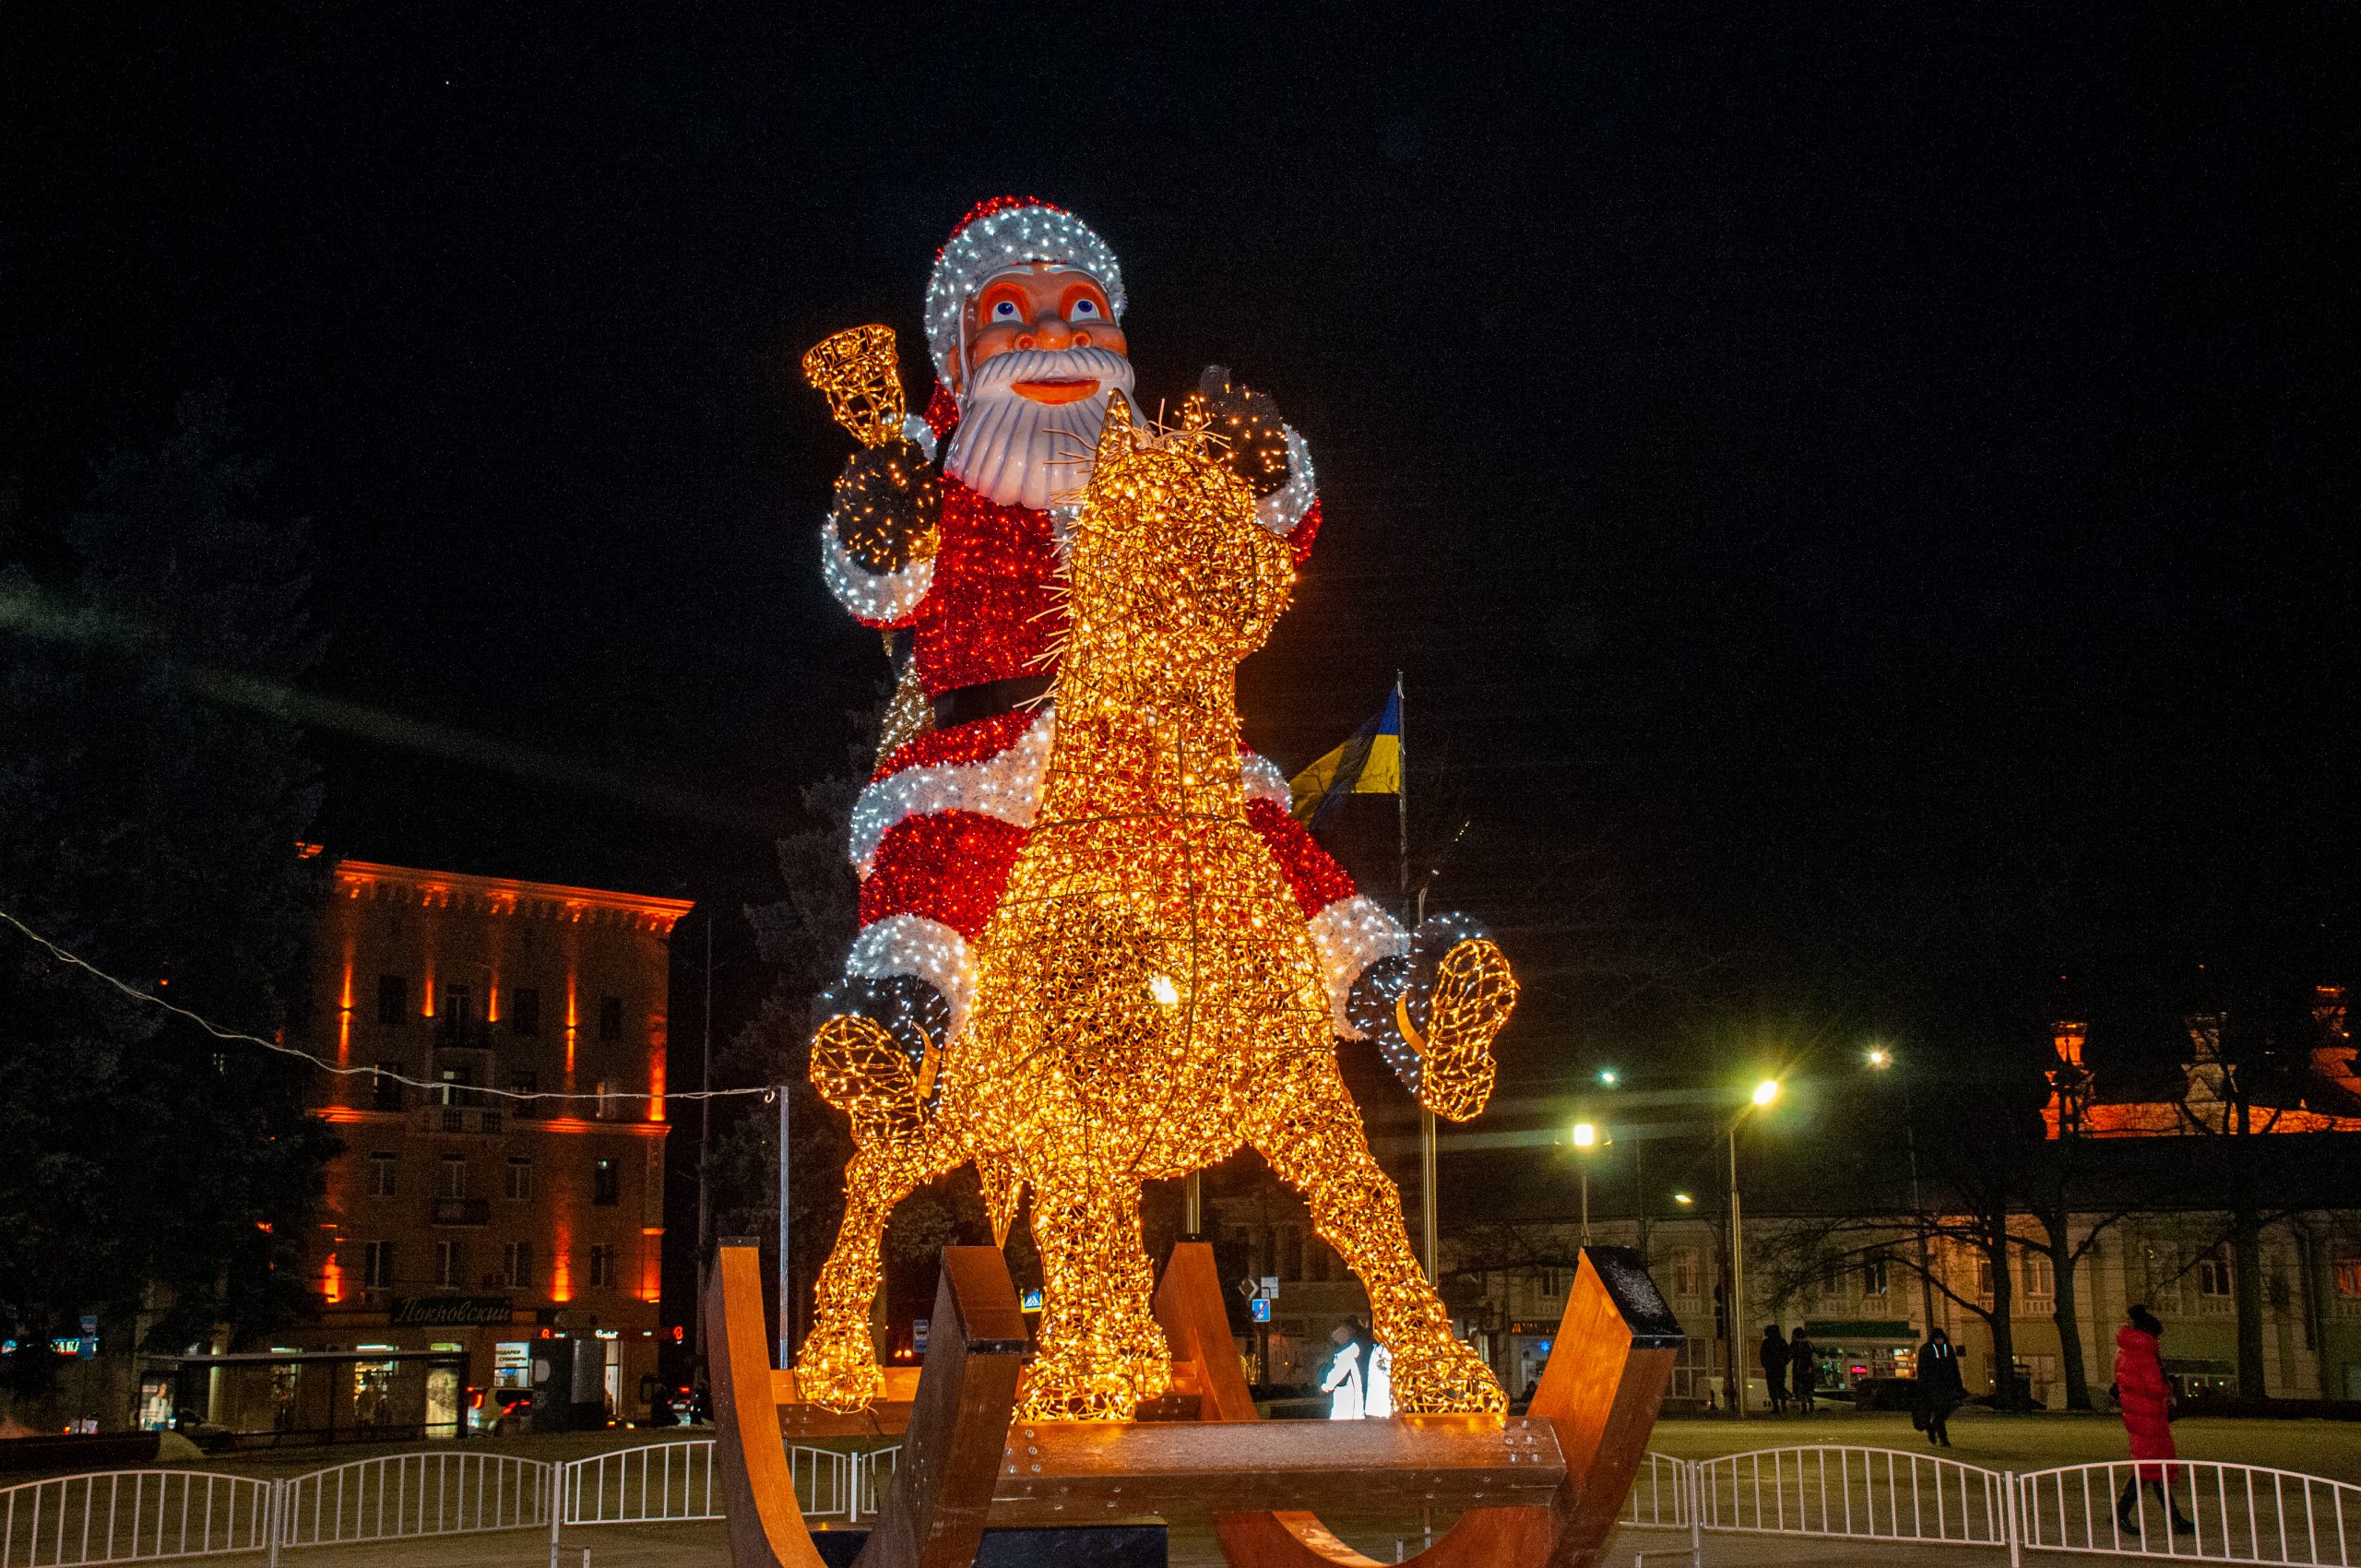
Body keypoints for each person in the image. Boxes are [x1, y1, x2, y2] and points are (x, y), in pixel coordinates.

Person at [804, 197, 1517, 1180]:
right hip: (991, 744)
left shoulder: (1158, 466)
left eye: (1084, 308)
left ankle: (1401, 996)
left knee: (1270, 850)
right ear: (960, 355)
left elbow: (1261, 558)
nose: (1054, 333)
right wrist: (879, 523)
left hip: (1154, 745)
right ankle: (900, 1023)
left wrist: (1265, 474)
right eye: (1011, 312)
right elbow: (881, 594)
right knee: (938, 850)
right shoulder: (938, 471)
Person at [2112, 1304, 2194, 1537]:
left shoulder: (2125, 1352)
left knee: (2150, 1471)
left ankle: (2171, 1518)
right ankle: (2123, 1513)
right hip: (2148, 1417)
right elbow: (2154, 1388)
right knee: (2149, 1471)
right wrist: (2169, 1385)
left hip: (2138, 1416)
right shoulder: (2144, 1355)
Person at [1913, 1327, 1965, 1447]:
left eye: (1941, 1338)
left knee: (1943, 1413)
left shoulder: (1948, 1349)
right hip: (1932, 1388)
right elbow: (1922, 1370)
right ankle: (1942, 1437)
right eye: (1938, 1338)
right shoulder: (1926, 1350)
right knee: (1938, 1413)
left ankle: (1933, 1429)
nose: (1940, 1341)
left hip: (1946, 1387)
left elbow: (1955, 1368)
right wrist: (1923, 1386)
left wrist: (1958, 1385)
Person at [1321, 1324, 1366, 1420]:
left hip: (1346, 1414)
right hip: (1350, 1414)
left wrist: (1323, 1372)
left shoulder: (1345, 1356)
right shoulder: (1352, 1355)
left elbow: (1330, 1382)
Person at [1758, 1324, 1790, 1415]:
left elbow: (1763, 1355)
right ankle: (1782, 1404)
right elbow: (1788, 1354)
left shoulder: (1767, 1343)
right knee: (1780, 1386)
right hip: (1779, 1368)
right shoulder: (1781, 1342)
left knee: (1772, 1387)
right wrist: (1783, 1362)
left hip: (1771, 1368)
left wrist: (1766, 1363)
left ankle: (1776, 1405)